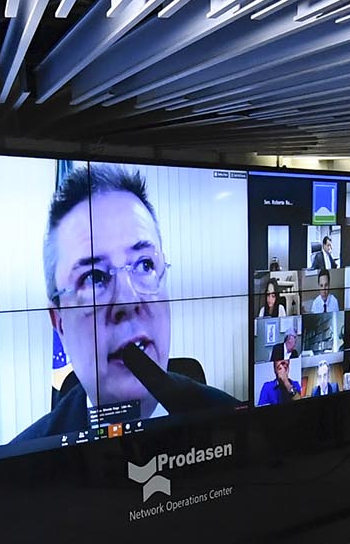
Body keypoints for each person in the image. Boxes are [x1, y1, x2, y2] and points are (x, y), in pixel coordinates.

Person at [15, 165, 239, 440]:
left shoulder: (238, 427)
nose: (128, 300)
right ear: (59, 322)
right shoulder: (22, 467)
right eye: (93, 276)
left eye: (145, 264)